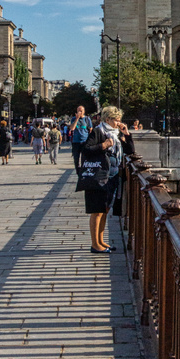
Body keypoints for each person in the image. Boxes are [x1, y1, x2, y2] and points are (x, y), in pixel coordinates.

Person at [76, 105, 134, 253]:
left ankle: (101, 241)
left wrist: (127, 134)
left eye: (120, 120)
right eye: (116, 120)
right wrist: (104, 145)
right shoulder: (98, 132)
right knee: (97, 210)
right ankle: (95, 244)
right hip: (98, 176)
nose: (118, 122)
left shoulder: (116, 133)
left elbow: (130, 151)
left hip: (113, 176)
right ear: (107, 119)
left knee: (105, 209)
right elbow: (86, 150)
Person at [70, 106, 92, 172]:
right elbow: (72, 128)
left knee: (85, 158)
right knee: (76, 159)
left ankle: (83, 171)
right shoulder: (73, 119)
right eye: (78, 111)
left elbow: (90, 129)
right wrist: (77, 119)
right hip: (76, 142)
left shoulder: (87, 119)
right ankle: (78, 171)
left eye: (81, 111)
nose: (80, 112)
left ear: (84, 111)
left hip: (84, 141)